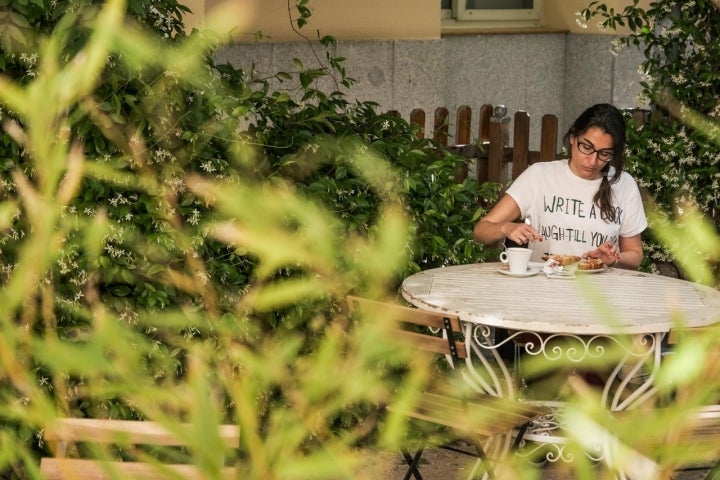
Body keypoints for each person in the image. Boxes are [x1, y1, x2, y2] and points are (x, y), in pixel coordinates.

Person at [473, 103, 647, 269]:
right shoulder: (539, 176)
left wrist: (612, 258)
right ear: (572, 138)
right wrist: (506, 227)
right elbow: (481, 231)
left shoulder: (624, 184)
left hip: (599, 296)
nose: (593, 161)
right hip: (545, 289)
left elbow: (635, 254)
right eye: (586, 147)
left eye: (604, 154)